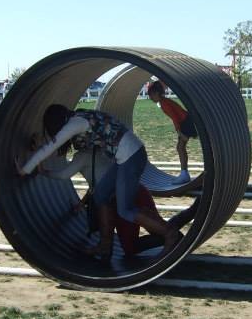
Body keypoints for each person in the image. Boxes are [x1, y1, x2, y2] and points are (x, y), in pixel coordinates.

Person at [19, 104, 180, 261]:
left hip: (130, 156)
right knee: (101, 194)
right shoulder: (80, 119)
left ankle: (169, 234)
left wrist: (25, 169)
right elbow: (58, 146)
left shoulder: (75, 123)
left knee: (125, 210)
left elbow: (52, 146)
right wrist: (38, 148)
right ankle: (105, 245)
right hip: (127, 156)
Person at [38, 144, 198, 259]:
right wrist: (83, 202)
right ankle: (188, 217)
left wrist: (41, 170)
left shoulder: (82, 157)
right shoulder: (104, 149)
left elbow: (63, 174)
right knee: (158, 228)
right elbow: (99, 182)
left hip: (119, 200)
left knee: (131, 248)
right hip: (138, 191)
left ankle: (175, 236)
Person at [146, 80, 198, 184]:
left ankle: (184, 175)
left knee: (180, 147)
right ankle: (184, 174)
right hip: (186, 120)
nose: (150, 98)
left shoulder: (164, 103)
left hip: (185, 122)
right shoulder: (164, 101)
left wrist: (179, 132)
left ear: (156, 93)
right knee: (180, 147)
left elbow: (175, 118)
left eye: (151, 96)